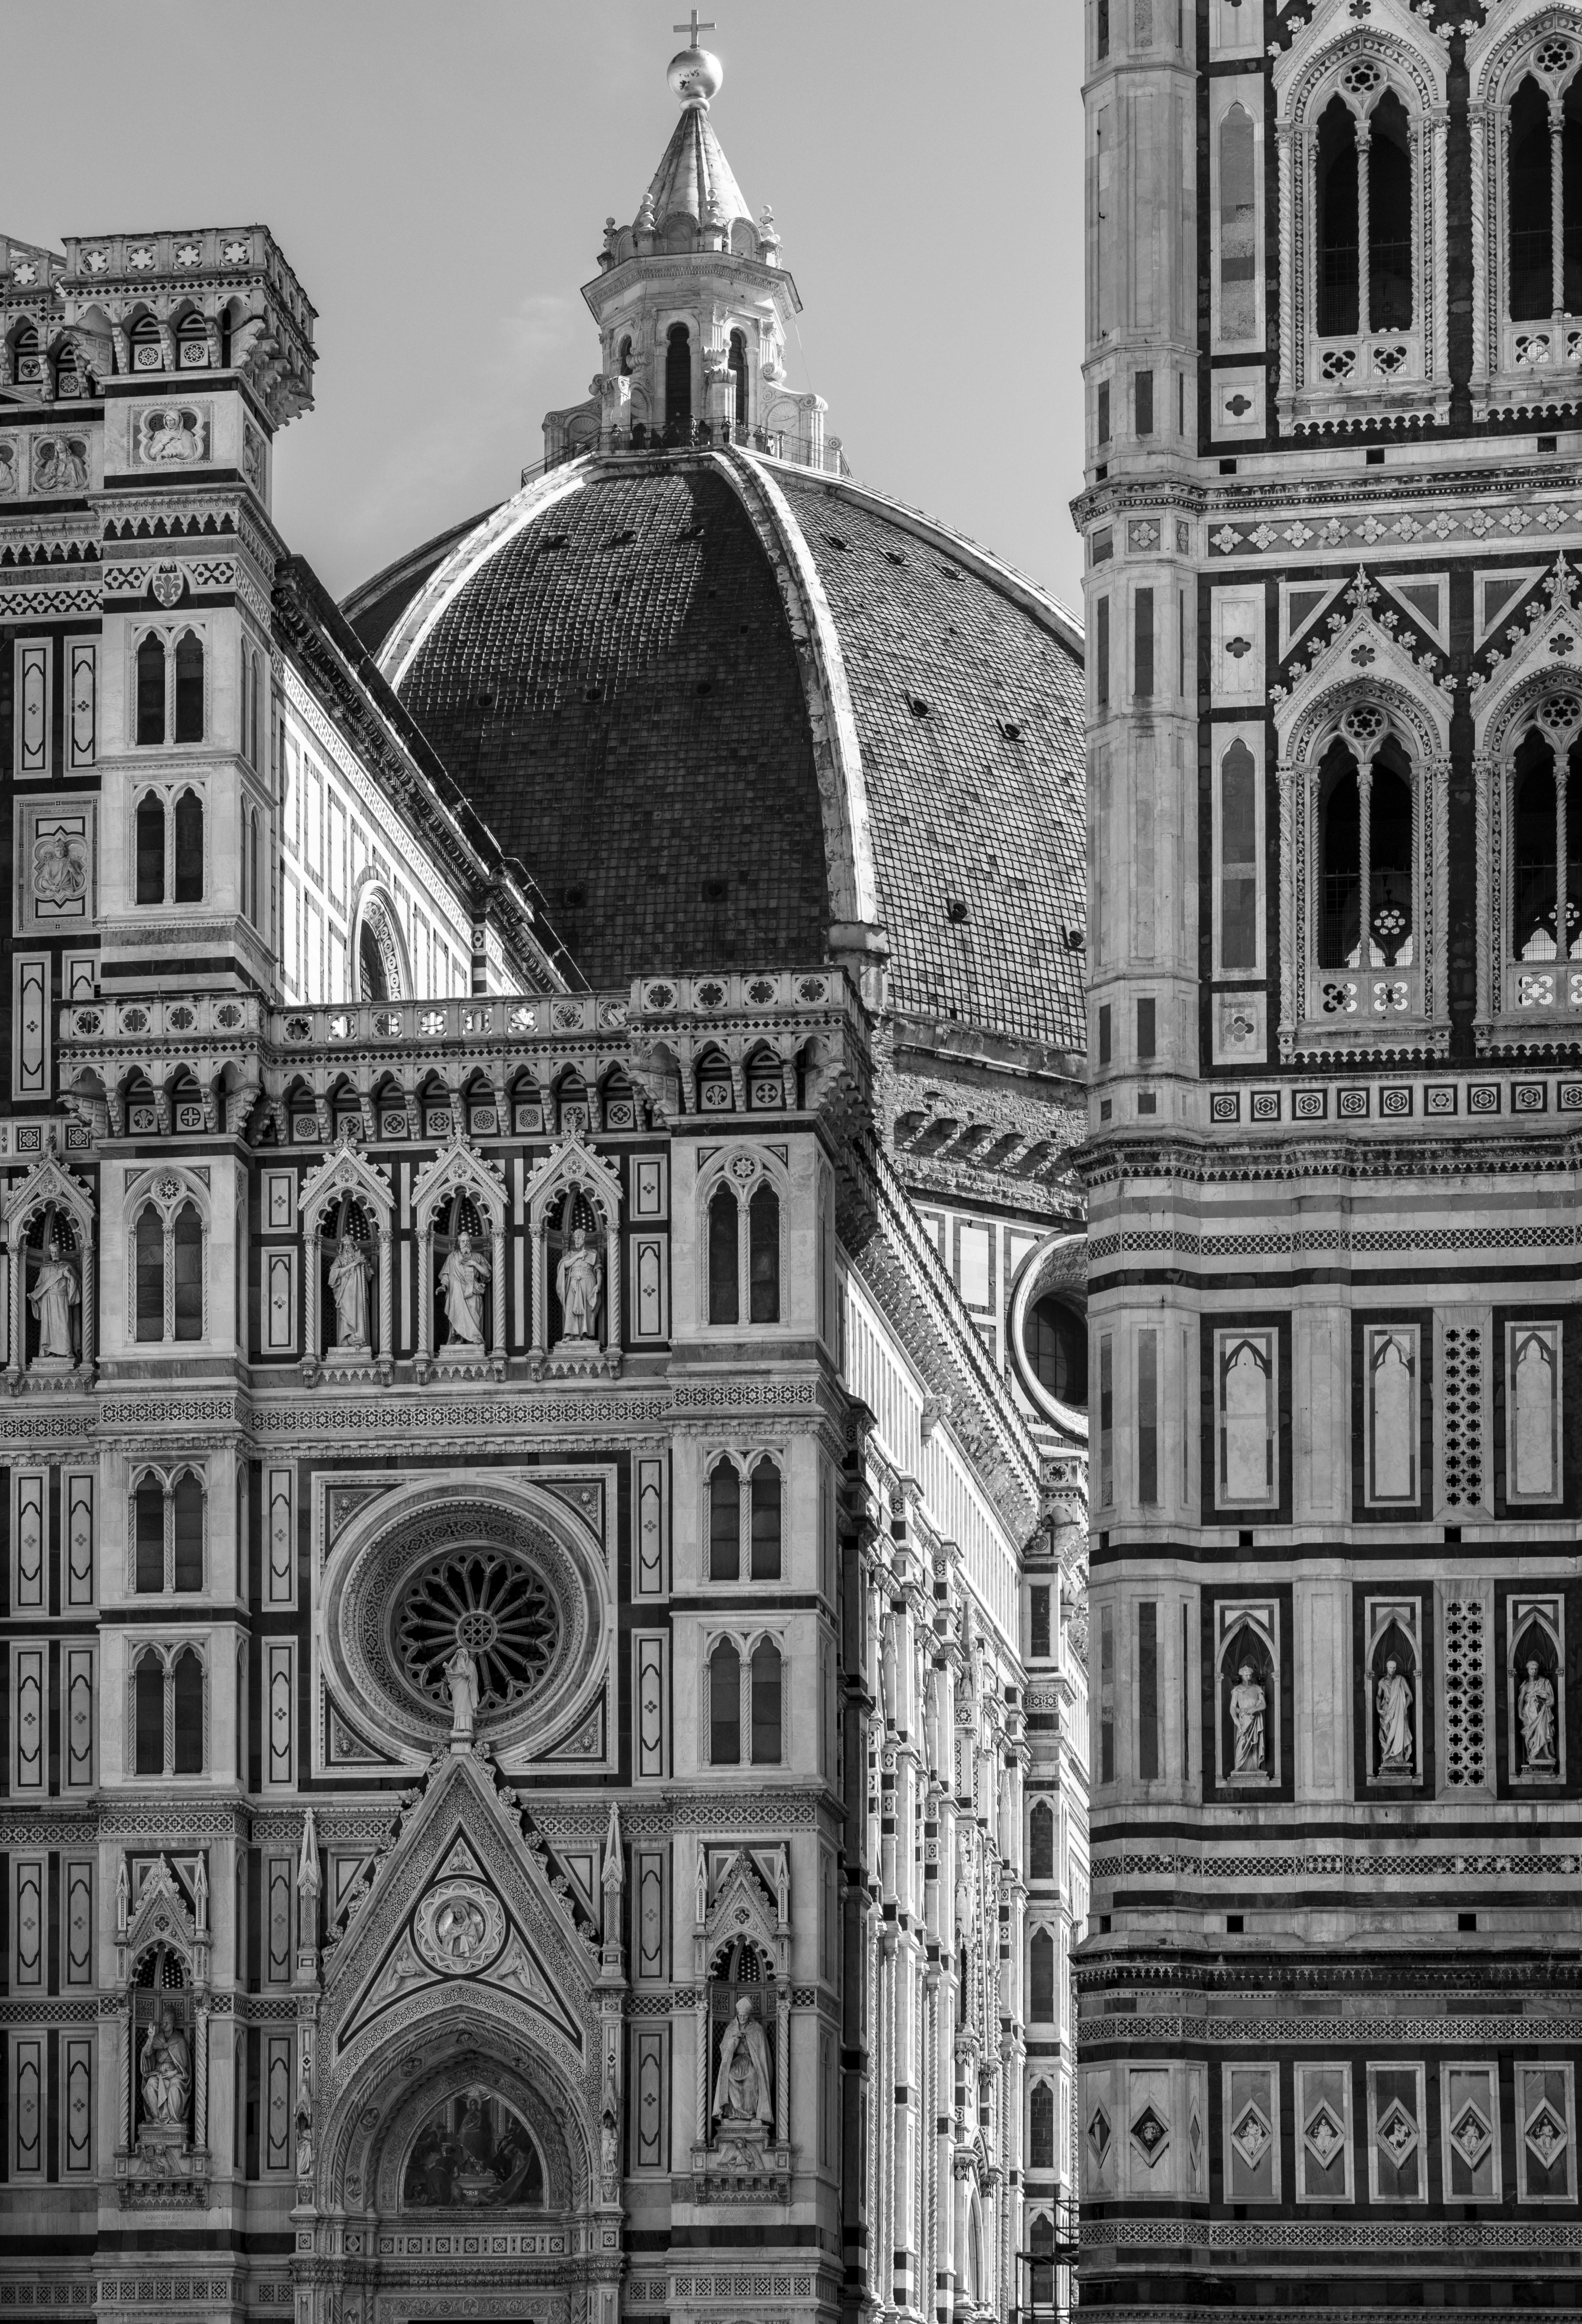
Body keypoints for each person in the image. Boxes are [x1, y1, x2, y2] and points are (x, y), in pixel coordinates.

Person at [712, 1996, 773, 2129]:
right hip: (736, 2062)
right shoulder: (731, 2028)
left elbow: (761, 2053)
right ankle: (732, 2113)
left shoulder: (756, 2029)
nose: (743, 2018)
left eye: (745, 2016)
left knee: (752, 2076)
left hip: (751, 2062)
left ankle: (751, 2113)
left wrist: (748, 2041)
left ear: (749, 2015)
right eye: (740, 2016)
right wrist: (736, 2039)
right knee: (729, 2076)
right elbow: (724, 2050)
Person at [140, 2006, 192, 2128]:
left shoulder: (179, 2041)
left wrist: (174, 2072)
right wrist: (151, 2038)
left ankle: (175, 2118)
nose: (165, 2024)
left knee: (175, 2085)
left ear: (173, 2024)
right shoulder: (157, 2039)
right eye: (163, 2022)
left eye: (167, 2022)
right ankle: (157, 2119)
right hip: (159, 2073)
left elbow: (185, 2065)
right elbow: (147, 2053)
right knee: (151, 2085)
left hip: (176, 2074)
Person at [28, 1237, 78, 1361]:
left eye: (56, 1251)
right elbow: (40, 1286)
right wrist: (35, 1296)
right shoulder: (45, 1268)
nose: (55, 1254)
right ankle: (46, 1352)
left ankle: (67, 1351)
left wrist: (70, 1277)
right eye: (52, 1252)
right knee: (49, 1326)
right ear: (50, 1253)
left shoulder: (68, 1266)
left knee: (63, 1325)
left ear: (60, 1251)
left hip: (62, 1299)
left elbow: (80, 1285)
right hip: (48, 1300)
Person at [439, 1229, 490, 1346]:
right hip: (457, 1290)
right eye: (463, 1241)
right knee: (459, 1314)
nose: (466, 1243)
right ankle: (460, 1338)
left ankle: (477, 1337)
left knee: (474, 1314)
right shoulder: (453, 1257)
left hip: (474, 1291)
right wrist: (443, 1285)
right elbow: (447, 1274)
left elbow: (487, 1274)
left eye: (468, 1241)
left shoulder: (478, 1257)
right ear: (459, 1243)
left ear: (471, 1242)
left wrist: (475, 1264)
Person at [557, 1226, 603, 1340]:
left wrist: (599, 1285)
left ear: (584, 1239)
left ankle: (586, 1335)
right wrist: (579, 1256)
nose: (577, 1240)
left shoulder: (593, 1253)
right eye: (575, 1238)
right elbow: (564, 1266)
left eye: (579, 1238)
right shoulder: (571, 1254)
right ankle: (570, 1335)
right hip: (573, 1285)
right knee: (571, 1308)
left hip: (589, 1283)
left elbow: (599, 1270)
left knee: (588, 1310)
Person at [328, 1230, 371, 1349]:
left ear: (353, 1246)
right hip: (345, 1292)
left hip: (359, 1292)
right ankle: (346, 1341)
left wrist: (363, 1265)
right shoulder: (340, 1260)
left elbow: (368, 1277)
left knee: (359, 1313)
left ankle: (358, 1339)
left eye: (350, 1245)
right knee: (346, 1315)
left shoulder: (361, 1257)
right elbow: (333, 1276)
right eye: (345, 1246)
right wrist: (352, 1265)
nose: (348, 1248)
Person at [1518, 1658, 1557, 1771]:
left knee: (1544, 1732)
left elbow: (1551, 1699)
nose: (1534, 1671)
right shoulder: (1525, 1686)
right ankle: (1533, 1754)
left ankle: (1546, 1754)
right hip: (1530, 1714)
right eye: (1532, 1669)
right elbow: (1521, 1701)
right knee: (1532, 1734)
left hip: (1543, 1712)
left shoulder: (1545, 1683)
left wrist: (1543, 1698)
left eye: (1536, 1669)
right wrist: (1521, 1715)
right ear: (1528, 1670)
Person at [1377, 1655, 1413, 1773]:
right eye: (1391, 1668)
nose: (1392, 1670)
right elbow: (1378, 1697)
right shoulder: (1382, 1682)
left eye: (1394, 1668)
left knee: (1400, 1733)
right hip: (1387, 1711)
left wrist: (1404, 1709)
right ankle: (1388, 1757)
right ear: (1387, 1668)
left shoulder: (1401, 1680)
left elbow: (1410, 1696)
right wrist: (1378, 1710)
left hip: (1398, 1711)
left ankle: (1399, 1758)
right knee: (1386, 1733)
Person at [1229, 1662, 1266, 1774]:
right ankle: (1239, 1767)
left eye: (1250, 1675)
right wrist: (1235, 1719)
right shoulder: (1237, 1690)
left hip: (1255, 1719)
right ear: (1242, 1676)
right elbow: (1232, 1707)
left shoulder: (1257, 1688)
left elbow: (1264, 1705)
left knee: (1255, 1742)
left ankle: (1255, 1767)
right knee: (1242, 1742)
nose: (1249, 1677)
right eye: (1246, 1675)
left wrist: (1255, 1709)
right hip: (1243, 1720)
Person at [444, 1644, 480, 1742]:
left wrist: (468, 1674)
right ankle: (457, 1728)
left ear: (465, 1656)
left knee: (466, 1707)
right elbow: (452, 1677)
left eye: (461, 1655)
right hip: (457, 1691)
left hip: (467, 1690)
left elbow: (474, 1678)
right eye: (458, 1655)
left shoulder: (471, 1665)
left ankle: (467, 1728)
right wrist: (448, 1669)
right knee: (458, 1710)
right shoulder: (456, 1666)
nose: (460, 1657)